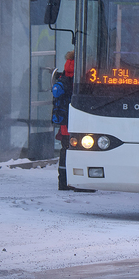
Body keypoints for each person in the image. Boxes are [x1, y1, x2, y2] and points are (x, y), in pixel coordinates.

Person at [53, 51, 74, 190]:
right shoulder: (80, 71)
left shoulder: (64, 74)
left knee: (65, 149)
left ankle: (63, 181)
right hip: (76, 118)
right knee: (78, 150)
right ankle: (76, 180)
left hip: (64, 119)